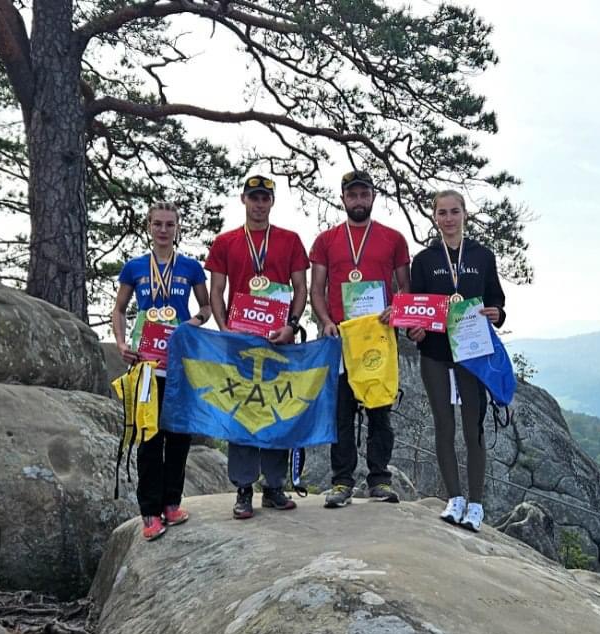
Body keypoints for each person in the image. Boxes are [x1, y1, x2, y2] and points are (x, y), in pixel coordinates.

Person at [205, 174, 310, 519]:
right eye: (254, 198)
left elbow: (301, 289)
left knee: (277, 408)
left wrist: (291, 325)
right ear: (243, 200)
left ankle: (275, 486)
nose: (259, 204)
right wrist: (224, 330)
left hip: (279, 341)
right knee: (245, 412)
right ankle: (244, 487)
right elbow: (217, 291)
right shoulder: (225, 242)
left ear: (272, 202)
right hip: (241, 343)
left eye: (265, 198)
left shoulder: (290, 240)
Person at [310, 169, 411, 507]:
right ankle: (341, 482)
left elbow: (405, 288)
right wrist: (325, 321)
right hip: (341, 336)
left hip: (378, 337)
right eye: (352, 194)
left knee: (380, 411)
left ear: (373, 197)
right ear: (343, 198)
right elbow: (317, 289)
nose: (358, 200)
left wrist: (396, 307)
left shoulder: (394, 238)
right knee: (342, 412)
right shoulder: (326, 240)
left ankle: (379, 480)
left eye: (363, 194)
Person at [110, 201, 211, 541]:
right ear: (149, 227)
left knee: (179, 436)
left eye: (170, 224)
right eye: (158, 224)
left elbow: (207, 307)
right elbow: (120, 309)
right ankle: (149, 512)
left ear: (178, 228)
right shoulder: (135, 268)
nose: (164, 230)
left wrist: (192, 324)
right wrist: (123, 343)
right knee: (149, 439)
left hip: (179, 363)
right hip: (146, 366)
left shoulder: (191, 267)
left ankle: (172, 503)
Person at [406, 190, 505, 532]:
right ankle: (455, 499)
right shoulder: (424, 260)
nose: (448, 218)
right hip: (434, 353)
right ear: (434, 217)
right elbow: (414, 307)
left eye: (454, 212)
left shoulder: (482, 255)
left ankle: (476, 505)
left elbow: (496, 299)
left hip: (472, 354)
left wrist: (498, 312)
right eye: (442, 213)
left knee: (473, 428)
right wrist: (413, 332)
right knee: (443, 426)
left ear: (465, 214)